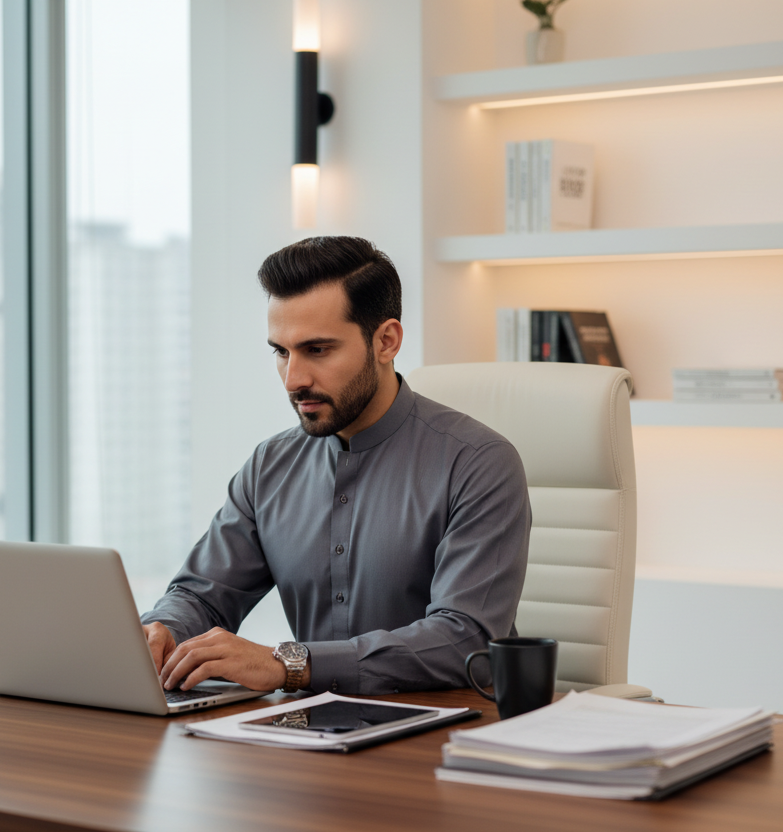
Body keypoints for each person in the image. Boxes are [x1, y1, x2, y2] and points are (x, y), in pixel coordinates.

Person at [141, 236, 530, 696]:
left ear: (386, 341)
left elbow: (465, 638)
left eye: (318, 350)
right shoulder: (270, 465)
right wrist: (163, 629)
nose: (294, 379)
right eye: (281, 352)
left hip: (439, 739)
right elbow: (200, 594)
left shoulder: (478, 463)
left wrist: (289, 663)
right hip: (306, 735)